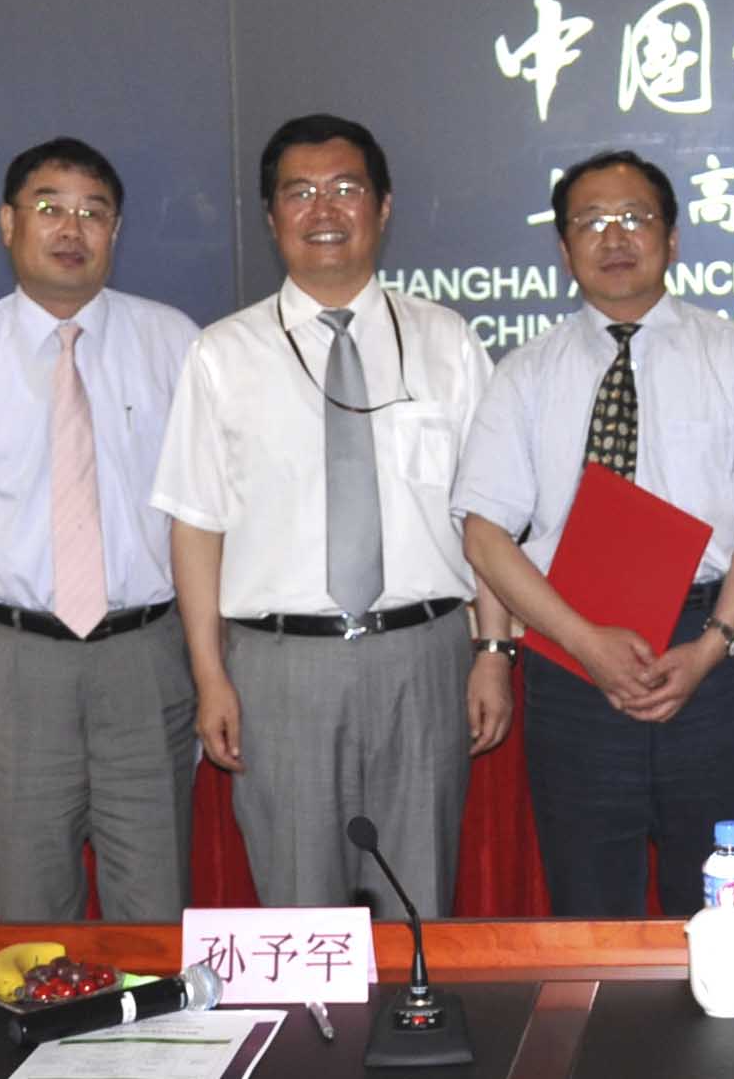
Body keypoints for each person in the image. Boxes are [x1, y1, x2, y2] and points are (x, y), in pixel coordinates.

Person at [151, 114, 513, 917]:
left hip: (424, 657)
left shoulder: (447, 342)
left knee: (418, 909)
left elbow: (485, 515)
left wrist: (492, 651)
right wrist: (210, 676)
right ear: (272, 216)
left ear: (383, 207)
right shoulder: (222, 354)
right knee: (299, 911)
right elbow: (196, 526)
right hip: (281, 669)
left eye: (346, 189)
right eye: (300, 193)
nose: (324, 210)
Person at [455, 150, 734, 915]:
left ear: (671, 238)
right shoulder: (524, 373)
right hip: (569, 656)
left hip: (709, 651)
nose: (613, 237)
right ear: (564, 250)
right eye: (590, 222)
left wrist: (711, 646)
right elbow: (484, 534)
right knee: (588, 908)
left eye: (634, 218)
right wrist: (582, 641)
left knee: (717, 900)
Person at [0, 137, 202, 921]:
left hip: (145, 656)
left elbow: (205, 516)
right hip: (13, 666)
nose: (71, 228)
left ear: (116, 231)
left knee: (155, 912)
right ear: (7, 223)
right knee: (34, 913)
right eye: (50, 207)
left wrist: (207, 659)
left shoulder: (176, 344)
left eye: (94, 212)